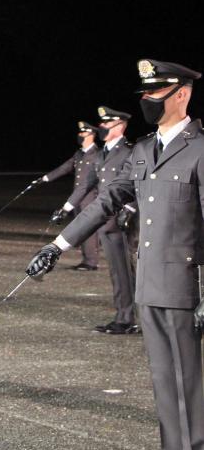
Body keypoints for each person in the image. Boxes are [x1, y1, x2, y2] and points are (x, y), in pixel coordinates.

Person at [27, 59, 204, 450]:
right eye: (144, 94)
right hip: (149, 286)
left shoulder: (201, 149)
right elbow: (105, 203)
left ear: (182, 94)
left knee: (188, 389)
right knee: (166, 387)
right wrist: (58, 245)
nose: (147, 101)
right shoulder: (143, 151)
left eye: (156, 93)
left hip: (184, 287)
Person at [71, 107, 140, 334]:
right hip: (106, 221)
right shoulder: (102, 154)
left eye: (106, 124)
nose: (101, 127)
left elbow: (139, 184)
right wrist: (68, 207)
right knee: (118, 272)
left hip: (123, 221)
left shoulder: (130, 151)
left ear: (119, 126)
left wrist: (130, 208)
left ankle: (132, 318)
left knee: (128, 271)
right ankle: (125, 316)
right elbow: (87, 184)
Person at [44, 122, 100, 271]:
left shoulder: (97, 154)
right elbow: (65, 168)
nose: (80, 136)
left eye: (83, 134)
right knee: (81, 229)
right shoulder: (79, 154)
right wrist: (46, 178)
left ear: (91, 135)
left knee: (88, 229)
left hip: (90, 197)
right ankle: (87, 258)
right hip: (77, 197)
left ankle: (91, 262)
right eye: (80, 133)